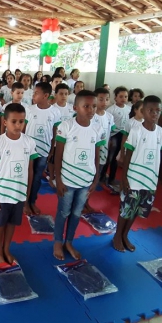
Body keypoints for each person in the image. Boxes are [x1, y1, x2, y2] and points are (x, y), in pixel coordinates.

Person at [54, 90, 105, 260]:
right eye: (86, 106)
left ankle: (69, 241)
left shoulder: (97, 129)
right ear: (76, 107)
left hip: (86, 181)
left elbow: (96, 156)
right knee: (63, 212)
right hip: (67, 180)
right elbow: (58, 155)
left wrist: (96, 179)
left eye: (94, 106)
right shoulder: (66, 126)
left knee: (76, 213)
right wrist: (58, 179)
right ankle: (57, 242)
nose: (91, 110)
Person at [113, 96, 162, 252]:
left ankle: (125, 235)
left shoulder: (161, 133)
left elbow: (158, 157)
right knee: (126, 210)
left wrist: (155, 179)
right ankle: (117, 235)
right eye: (151, 110)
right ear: (143, 111)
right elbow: (128, 156)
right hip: (133, 179)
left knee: (137, 210)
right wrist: (123, 178)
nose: (155, 113)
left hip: (149, 181)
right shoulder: (136, 131)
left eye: (158, 110)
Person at [0, 103, 38, 264]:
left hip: (19, 192)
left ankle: (6, 248)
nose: (18, 125)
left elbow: (30, 170)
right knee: (0, 222)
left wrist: (27, 193)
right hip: (2, 193)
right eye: (14, 121)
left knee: (12, 222)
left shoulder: (29, 142)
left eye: (21, 121)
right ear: (5, 122)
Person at [25, 82, 61, 215]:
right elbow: (23, 130)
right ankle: (25, 202)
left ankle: (32, 201)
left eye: (36, 93)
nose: (33, 95)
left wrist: (52, 149)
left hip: (44, 150)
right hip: (28, 151)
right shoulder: (29, 109)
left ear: (46, 95)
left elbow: (55, 132)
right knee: (27, 176)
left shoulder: (55, 112)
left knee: (37, 177)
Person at [105, 86, 130, 190]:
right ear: (115, 98)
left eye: (125, 96)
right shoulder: (111, 110)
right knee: (109, 158)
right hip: (113, 135)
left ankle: (112, 178)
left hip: (124, 135)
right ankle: (102, 176)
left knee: (117, 158)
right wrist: (109, 139)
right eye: (121, 96)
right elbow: (107, 125)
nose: (123, 98)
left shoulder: (129, 109)